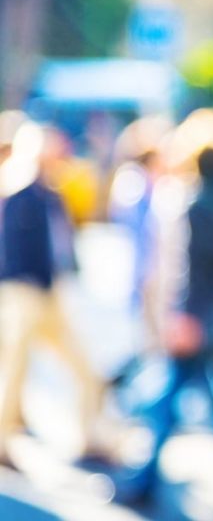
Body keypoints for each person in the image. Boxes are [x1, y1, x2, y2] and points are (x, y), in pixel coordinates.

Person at [119, 148, 213, 504]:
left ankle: (144, 479)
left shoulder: (197, 207)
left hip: (205, 319)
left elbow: (196, 269)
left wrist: (185, 315)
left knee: (168, 398)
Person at [0, 125, 104, 467]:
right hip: (24, 290)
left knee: (83, 368)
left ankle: (88, 435)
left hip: (48, 290)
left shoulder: (50, 190)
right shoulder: (20, 187)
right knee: (13, 370)